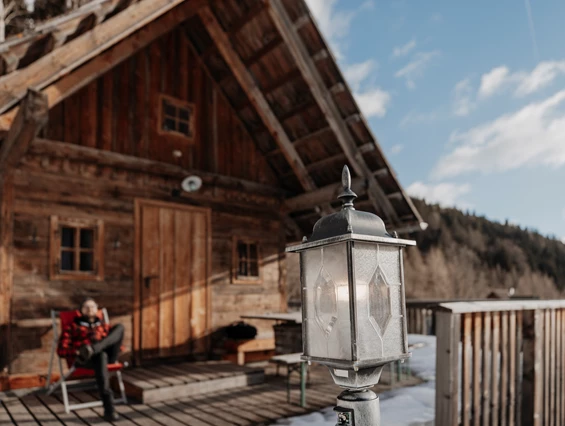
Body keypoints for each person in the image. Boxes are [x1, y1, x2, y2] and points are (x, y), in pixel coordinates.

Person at [57, 298, 124, 421]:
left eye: (93, 306)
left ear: (97, 310)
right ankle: (109, 409)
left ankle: (95, 348)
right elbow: (61, 350)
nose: (90, 309)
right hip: (85, 360)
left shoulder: (103, 325)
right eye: (86, 307)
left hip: (109, 355)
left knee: (119, 327)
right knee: (101, 355)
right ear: (80, 311)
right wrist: (77, 352)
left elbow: (116, 342)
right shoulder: (72, 327)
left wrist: (100, 347)